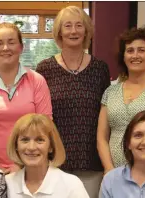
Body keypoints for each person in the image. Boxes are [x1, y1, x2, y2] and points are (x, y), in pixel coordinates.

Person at [35, 6, 110, 198]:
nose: (73, 31)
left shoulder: (100, 69)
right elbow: (41, 118)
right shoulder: (45, 69)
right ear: (59, 32)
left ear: (86, 30)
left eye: (79, 25)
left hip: (91, 161)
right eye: (67, 26)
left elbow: (106, 116)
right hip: (54, 161)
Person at [0, 22, 52, 173]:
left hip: (30, 167)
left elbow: (44, 128)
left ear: (21, 47)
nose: (5, 48)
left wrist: (19, 166)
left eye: (11, 42)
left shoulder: (37, 81)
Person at [97, 27, 145, 173]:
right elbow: (102, 137)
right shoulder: (110, 92)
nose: (135, 55)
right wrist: (109, 171)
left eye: (141, 50)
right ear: (123, 56)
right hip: (114, 173)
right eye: (130, 51)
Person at [5, 114, 89, 198]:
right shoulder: (6, 184)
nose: (31, 147)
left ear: (51, 146)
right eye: (25, 140)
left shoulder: (71, 185)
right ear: (16, 145)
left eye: (39, 140)